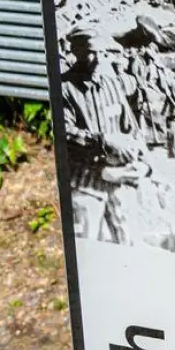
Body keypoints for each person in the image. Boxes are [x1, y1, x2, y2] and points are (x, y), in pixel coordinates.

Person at [60, 30, 144, 243]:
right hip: (85, 184)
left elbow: (131, 128)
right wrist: (102, 140)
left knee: (130, 246)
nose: (99, 60)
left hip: (120, 182)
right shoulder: (64, 88)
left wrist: (143, 163)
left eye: (103, 53)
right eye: (91, 53)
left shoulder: (113, 85)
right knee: (88, 248)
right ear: (75, 52)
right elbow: (63, 132)